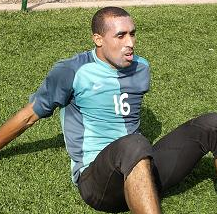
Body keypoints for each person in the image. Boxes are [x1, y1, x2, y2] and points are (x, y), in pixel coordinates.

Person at [0, 6, 216, 214]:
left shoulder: (142, 68)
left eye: (132, 34)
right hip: (97, 182)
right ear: (98, 40)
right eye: (120, 36)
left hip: (141, 168)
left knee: (212, 124)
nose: (130, 43)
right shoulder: (73, 71)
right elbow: (28, 116)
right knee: (135, 143)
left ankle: (141, 189)